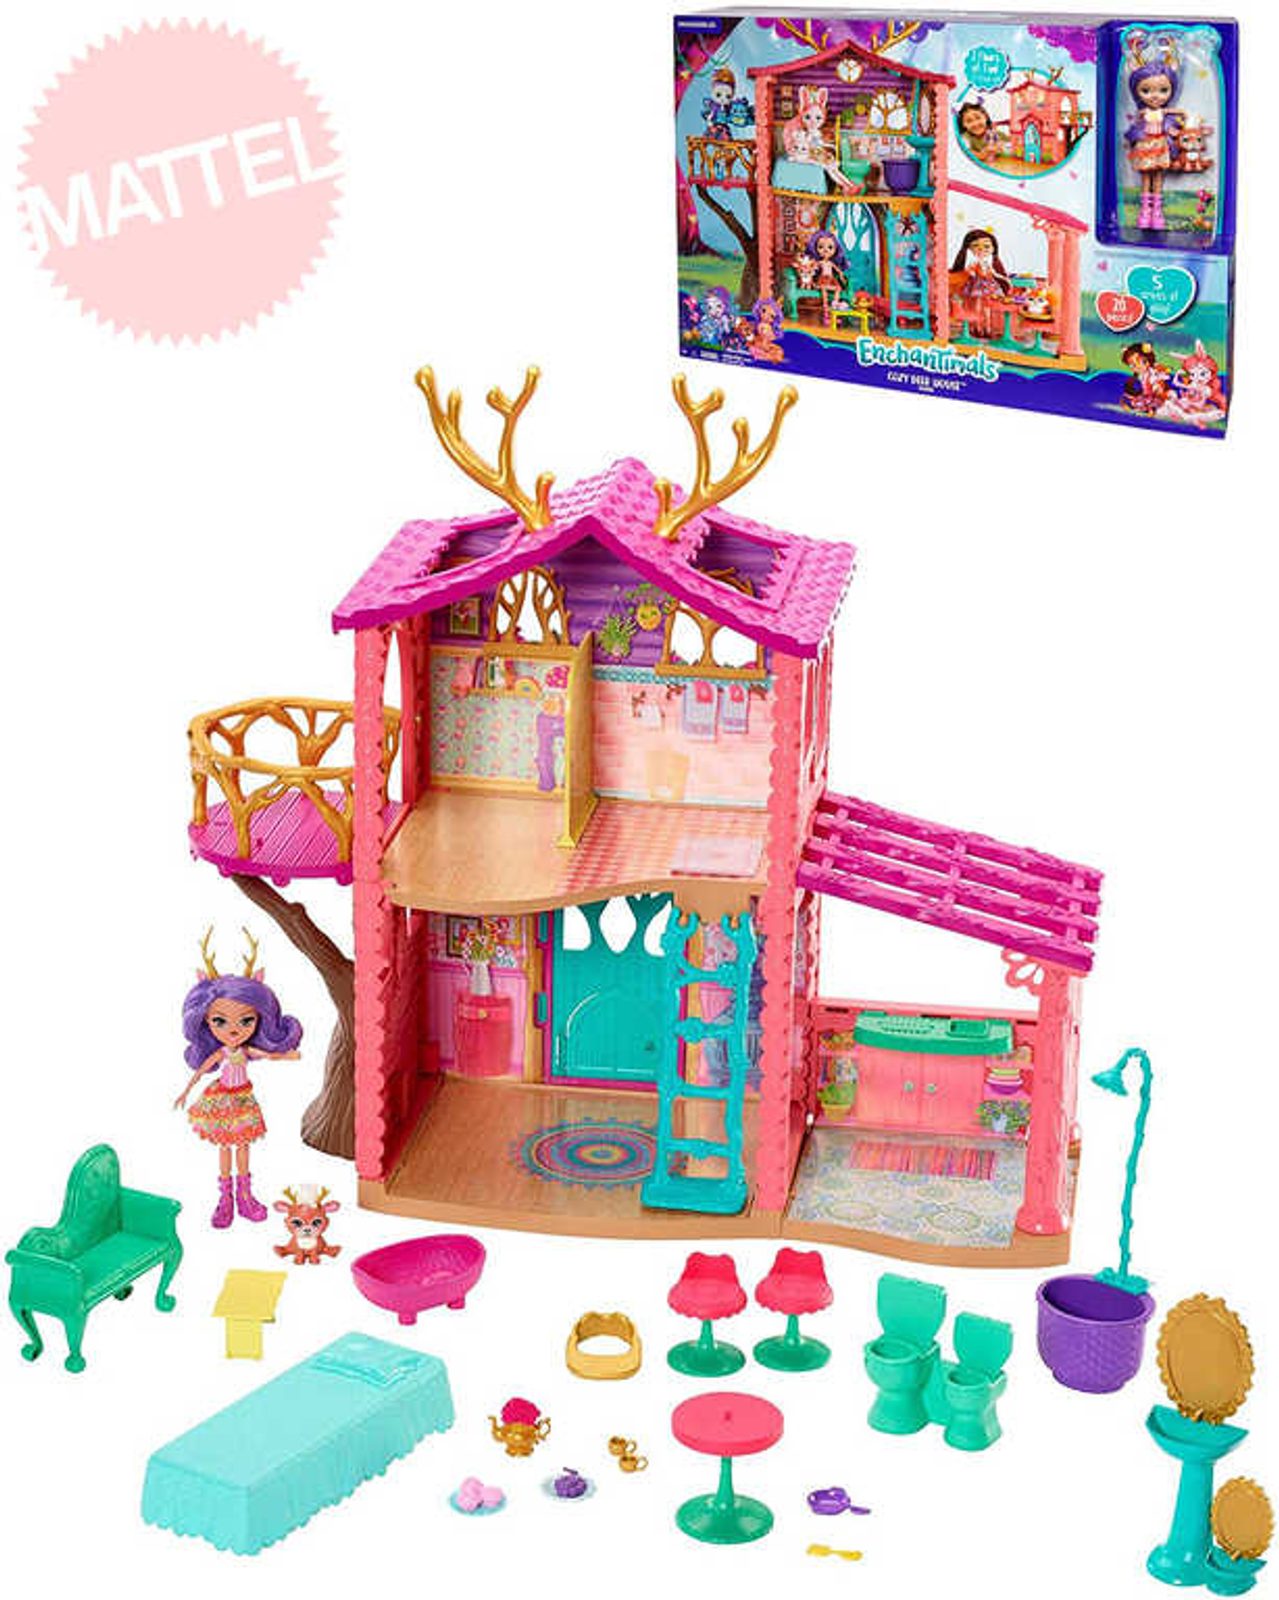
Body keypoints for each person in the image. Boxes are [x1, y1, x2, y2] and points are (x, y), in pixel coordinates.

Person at [175, 930, 302, 1227]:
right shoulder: (222, 1052)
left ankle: (245, 1196)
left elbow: (268, 1055)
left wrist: (288, 1056)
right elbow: (202, 1068)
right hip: (223, 1101)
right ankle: (225, 1199)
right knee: (224, 1147)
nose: (233, 1030)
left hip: (243, 1100)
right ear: (205, 1021)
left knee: (243, 1146)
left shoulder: (245, 1051)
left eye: (246, 1020)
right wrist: (185, 1091)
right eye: (219, 1021)